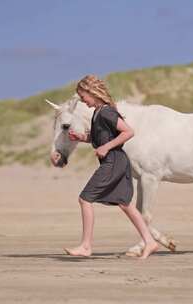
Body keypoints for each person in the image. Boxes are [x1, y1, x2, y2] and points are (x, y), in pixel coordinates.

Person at [51, 75, 158, 259]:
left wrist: (107, 147)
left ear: (92, 92)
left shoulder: (107, 112)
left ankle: (86, 246)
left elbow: (128, 132)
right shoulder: (98, 113)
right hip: (116, 161)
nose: (82, 100)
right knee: (125, 204)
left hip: (113, 161)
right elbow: (102, 137)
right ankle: (150, 242)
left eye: (83, 95)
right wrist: (83, 138)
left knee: (85, 199)